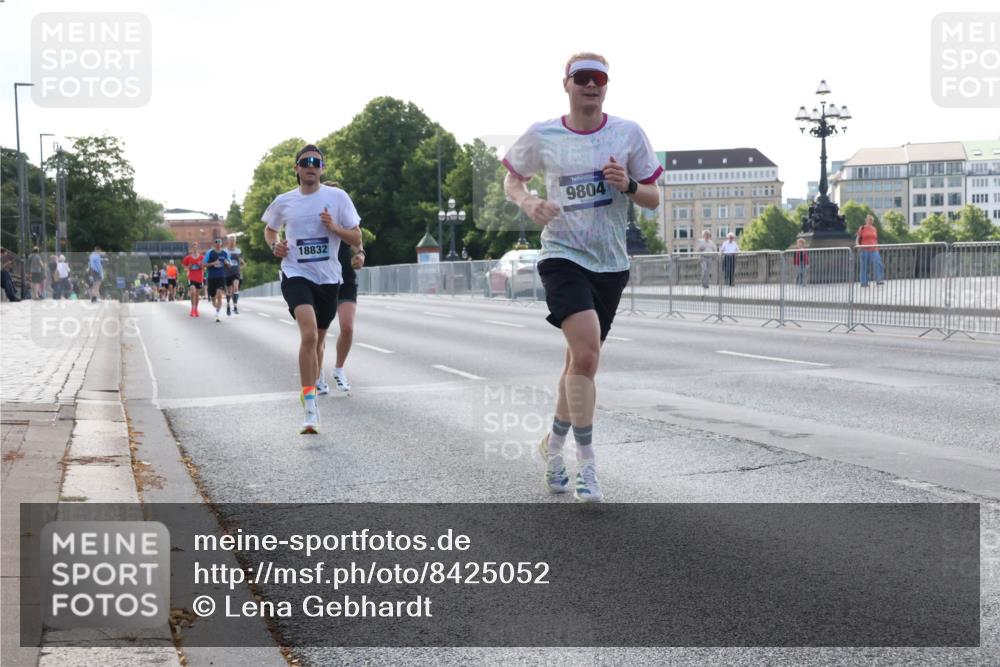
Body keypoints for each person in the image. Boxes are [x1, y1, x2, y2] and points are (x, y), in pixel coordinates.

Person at [503, 53, 662, 502]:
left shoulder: (628, 134)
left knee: (578, 362)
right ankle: (586, 465)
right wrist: (530, 203)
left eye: (599, 79)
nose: (591, 85)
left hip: (610, 263)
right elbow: (512, 179)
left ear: (606, 86)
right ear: (567, 84)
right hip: (562, 254)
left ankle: (551, 448)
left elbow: (652, 198)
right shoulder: (544, 133)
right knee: (588, 356)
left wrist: (628, 185)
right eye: (582, 78)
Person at [263, 144, 362, 434]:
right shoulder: (285, 201)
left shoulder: (337, 198)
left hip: (329, 279)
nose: (310, 166)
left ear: (322, 168)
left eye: (316, 162)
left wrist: (335, 228)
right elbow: (270, 229)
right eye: (305, 162)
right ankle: (310, 407)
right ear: (296, 168)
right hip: (296, 274)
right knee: (307, 335)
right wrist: (275, 245)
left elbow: (356, 235)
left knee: (319, 340)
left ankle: (315, 385)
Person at [317, 181, 366, 394]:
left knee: (347, 328)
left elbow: (358, 242)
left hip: (344, 278)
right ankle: (317, 373)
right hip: (320, 279)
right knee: (319, 334)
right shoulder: (315, 221)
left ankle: (338, 369)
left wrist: (360, 255)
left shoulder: (345, 221)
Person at [202, 238, 231, 322]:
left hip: (221, 277)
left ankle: (217, 314)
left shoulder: (225, 253)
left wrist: (227, 263)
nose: (218, 244)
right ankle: (214, 303)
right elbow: (203, 264)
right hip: (211, 277)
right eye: (216, 243)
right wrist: (213, 263)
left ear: (221, 244)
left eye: (219, 243)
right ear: (214, 244)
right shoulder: (210, 253)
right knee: (213, 298)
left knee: (219, 294)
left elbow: (230, 265)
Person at [856, 214, 884, 287]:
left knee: (878, 263)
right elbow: (858, 238)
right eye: (869, 219)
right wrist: (858, 246)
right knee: (864, 266)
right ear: (866, 220)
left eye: (871, 220)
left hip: (874, 249)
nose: (870, 221)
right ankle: (864, 282)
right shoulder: (862, 228)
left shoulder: (874, 229)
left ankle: (879, 279)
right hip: (864, 249)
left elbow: (875, 239)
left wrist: (878, 247)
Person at [182, 243, 205, 317]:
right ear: (192, 249)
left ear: (198, 248)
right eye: (193, 247)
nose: (195, 249)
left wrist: (201, 266)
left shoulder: (202, 257)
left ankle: (196, 309)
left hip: (199, 277)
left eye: (196, 247)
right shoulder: (188, 258)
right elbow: (184, 267)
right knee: (193, 292)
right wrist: (189, 267)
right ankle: (192, 309)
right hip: (191, 277)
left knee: (197, 295)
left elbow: (205, 267)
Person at [224, 235, 245, 316]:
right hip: (227, 273)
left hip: (236, 273)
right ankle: (228, 304)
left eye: (233, 240)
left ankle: (235, 306)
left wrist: (240, 267)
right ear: (228, 241)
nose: (232, 242)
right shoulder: (225, 251)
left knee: (236, 288)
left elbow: (243, 263)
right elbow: (222, 261)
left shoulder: (238, 251)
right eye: (230, 240)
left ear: (235, 241)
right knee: (229, 291)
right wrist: (225, 262)